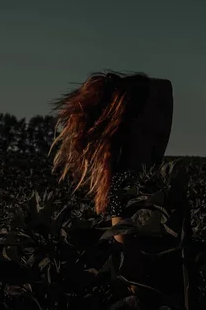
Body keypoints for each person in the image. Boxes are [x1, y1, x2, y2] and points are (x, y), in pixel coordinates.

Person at [50, 70, 174, 291]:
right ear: (137, 121)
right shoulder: (124, 183)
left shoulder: (149, 175)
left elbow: (166, 87)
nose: (167, 119)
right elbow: (131, 272)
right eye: (158, 109)